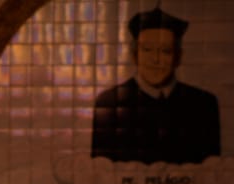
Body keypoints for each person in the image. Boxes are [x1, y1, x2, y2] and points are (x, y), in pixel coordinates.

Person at [91, 7, 220, 165]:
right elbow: (100, 173)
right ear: (134, 55)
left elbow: (212, 173)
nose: (156, 59)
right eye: (147, 50)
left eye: (165, 51)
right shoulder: (109, 104)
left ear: (178, 57)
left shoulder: (203, 104)